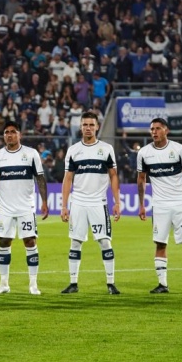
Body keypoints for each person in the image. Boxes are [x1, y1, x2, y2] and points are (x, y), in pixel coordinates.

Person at [137, 118, 182, 294]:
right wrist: (141, 205)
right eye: (152, 129)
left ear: (166, 130)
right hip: (160, 205)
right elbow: (141, 180)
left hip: (179, 202)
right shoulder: (144, 153)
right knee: (160, 243)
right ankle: (162, 285)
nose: (154, 132)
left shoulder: (178, 150)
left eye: (158, 128)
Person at [59, 111, 122, 295]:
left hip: (98, 202)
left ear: (97, 127)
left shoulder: (106, 149)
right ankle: (73, 283)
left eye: (91, 125)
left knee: (104, 242)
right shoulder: (73, 150)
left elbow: (113, 176)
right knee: (75, 242)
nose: (88, 128)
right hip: (78, 202)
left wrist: (117, 202)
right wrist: (64, 205)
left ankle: (110, 283)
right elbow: (67, 179)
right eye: (85, 125)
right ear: (81, 127)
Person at [0, 120, 49, 295]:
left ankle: (33, 284)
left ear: (19, 134)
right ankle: (4, 284)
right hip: (5, 209)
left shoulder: (31, 154)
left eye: (13, 131)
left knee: (30, 241)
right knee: (4, 242)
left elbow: (40, 178)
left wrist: (44, 202)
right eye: (6, 132)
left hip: (26, 208)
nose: (9, 135)